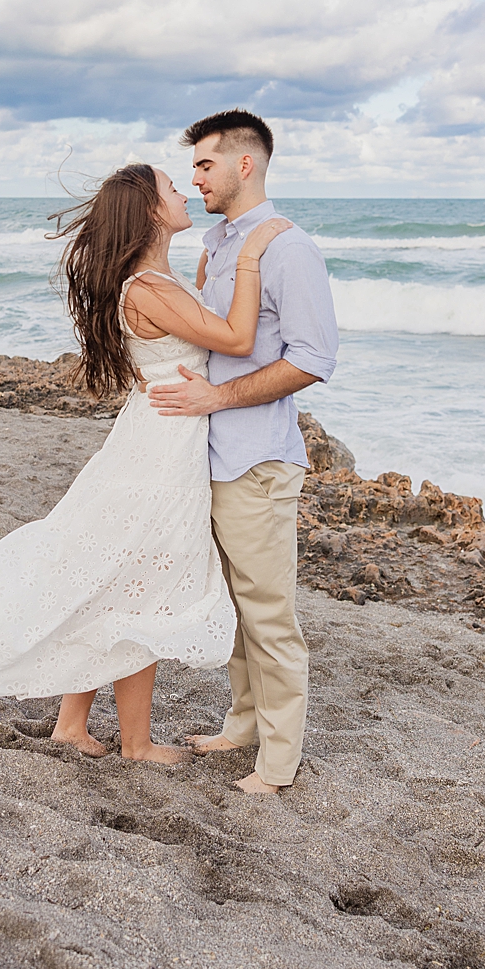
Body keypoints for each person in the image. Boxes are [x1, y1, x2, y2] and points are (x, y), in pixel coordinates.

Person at [0, 162, 292, 764]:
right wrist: (253, 251)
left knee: (111, 579)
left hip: (155, 436)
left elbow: (198, 319)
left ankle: (72, 726)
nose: (184, 191)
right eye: (171, 188)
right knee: (143, 588)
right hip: (161, 451)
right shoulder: (149, 289)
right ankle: (136, 743)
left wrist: (218, 256)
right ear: (151, 211)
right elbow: (238, 339)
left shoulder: (157, 280)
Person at [148, 109, 338, 795]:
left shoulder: (286, 248)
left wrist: (217, 399)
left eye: (205, 165)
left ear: (244, 164)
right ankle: (243, 725)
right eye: (193, 168)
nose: (196, 178)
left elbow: (314, 358)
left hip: (256, 460)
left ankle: (279, 764)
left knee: (268, 613)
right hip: (211, 456)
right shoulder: (220, 244)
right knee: (233, 604)